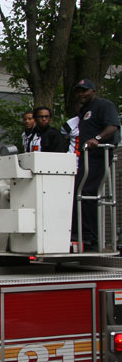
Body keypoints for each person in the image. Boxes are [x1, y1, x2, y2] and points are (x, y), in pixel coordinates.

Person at [72, 78, 119, 248]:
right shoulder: (83, 110)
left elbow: (113, 126)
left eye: (85, 90)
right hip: (85, 157)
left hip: (99, 155)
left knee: (87, 192)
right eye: (78, 91)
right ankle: (80, 232)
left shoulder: (104, 105)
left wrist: (97, 139)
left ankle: (91, 236)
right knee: (78, 192)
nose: (81, 94)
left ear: (93, 91)